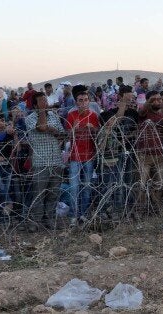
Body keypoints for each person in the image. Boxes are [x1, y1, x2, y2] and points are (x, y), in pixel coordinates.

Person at [24, 92, 66, 231]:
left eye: (45, 101)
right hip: (40, 162)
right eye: (41, 101)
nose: (45, 103)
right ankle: (35, 222)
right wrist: (43, 115)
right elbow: (41, 127)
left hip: (56, 160)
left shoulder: (54, 116)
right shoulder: (30, 119)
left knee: (53, 194)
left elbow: (61, 133)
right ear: (35, 105)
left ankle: (50, 220)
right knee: (39, 194)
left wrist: (53, 130)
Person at [97, 85, 139, 221]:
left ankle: (125, 210)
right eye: (127, 95)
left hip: (129, 151)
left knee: (127, 182)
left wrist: (131, 135)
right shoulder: (107, 113)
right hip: (113, 154)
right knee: (112, 183)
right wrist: (123, 104)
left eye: (131, 95)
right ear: (120, 96)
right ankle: (109, 209)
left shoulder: (134, 114)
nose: (130, 97)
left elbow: (137, 130)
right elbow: (114, 122)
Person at [65, 90, 99, 226]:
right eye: (80, 100)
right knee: (74, 187)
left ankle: (83, 214)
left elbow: (98, 135)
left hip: (89, 156)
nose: (83, 103)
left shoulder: (94, 116)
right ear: (76, 102)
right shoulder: (71, 115)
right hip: (75, 156)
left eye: (86, 100)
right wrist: (73, 129)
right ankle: (73, 215)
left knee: (87, 186)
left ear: (89, 101)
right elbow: (67, 136)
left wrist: (94, 130)